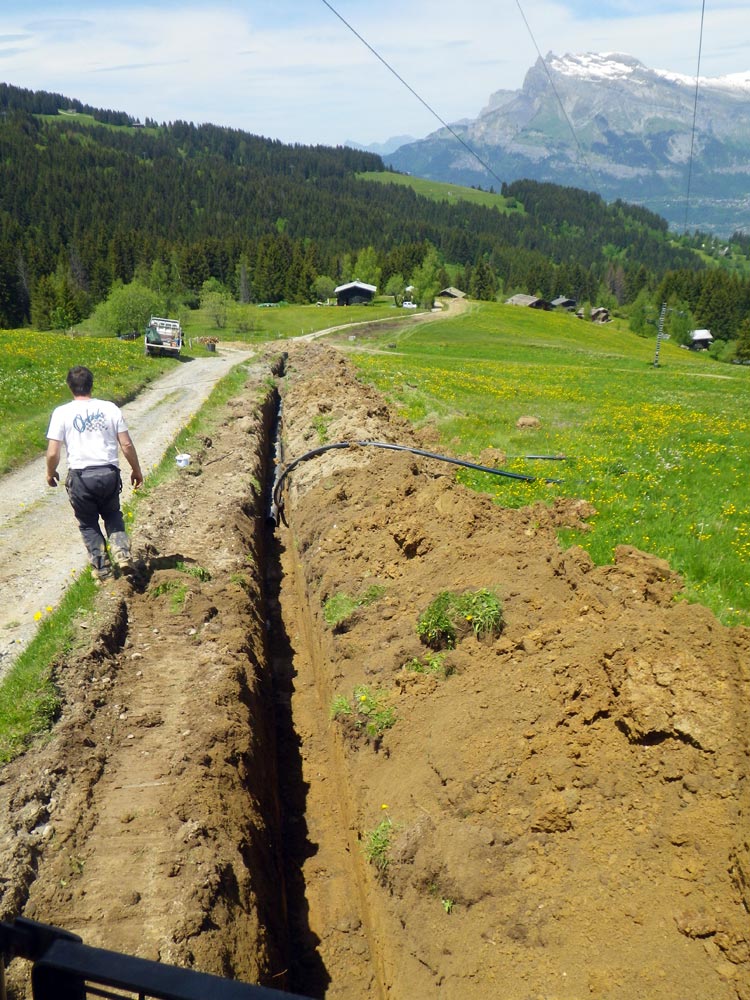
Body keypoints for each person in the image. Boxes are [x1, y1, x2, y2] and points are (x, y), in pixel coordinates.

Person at [46, 365, 144, 584]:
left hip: (81, 478)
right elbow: (126, 444)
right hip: (109, 473)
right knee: (112, 515)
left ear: (69, 386)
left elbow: (53, 452)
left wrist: (50, 472)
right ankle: (121, 551)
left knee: (89, 523)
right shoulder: (110, 409)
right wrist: (136, 470)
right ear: (91, 384)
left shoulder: (61, 412)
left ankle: (103, 571)